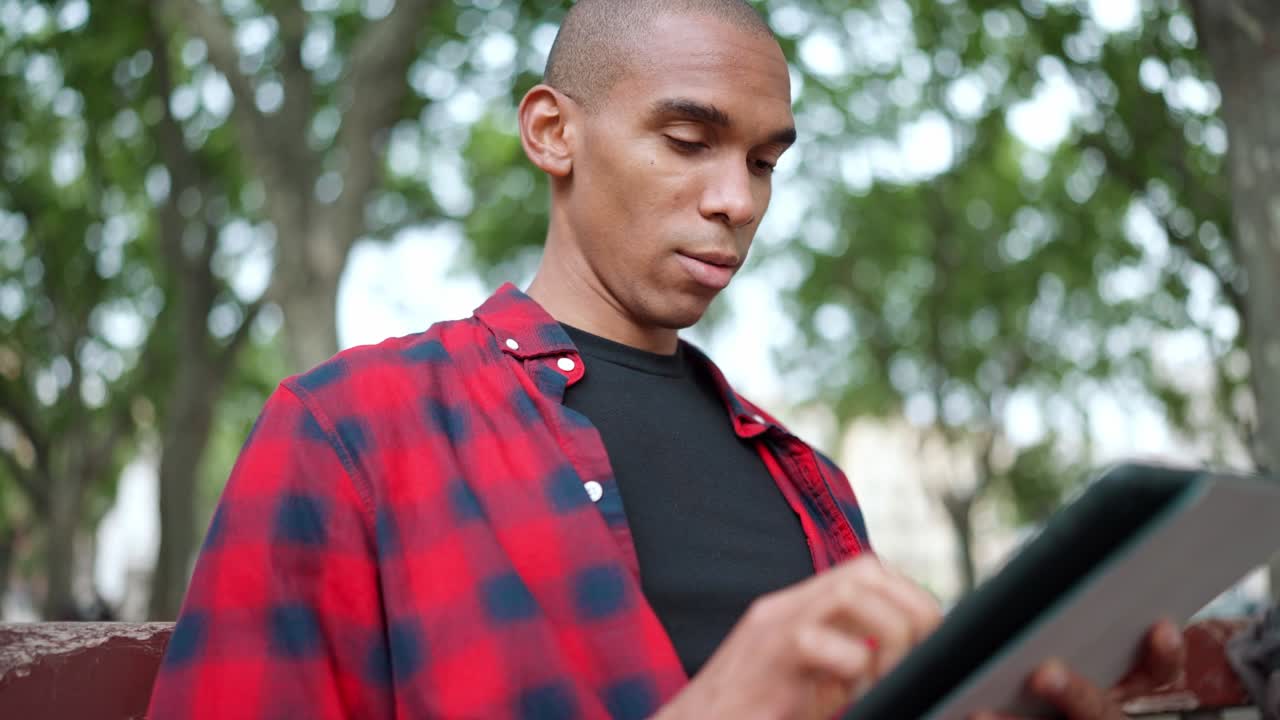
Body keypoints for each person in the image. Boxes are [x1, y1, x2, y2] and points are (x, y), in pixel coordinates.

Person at [147, 1, 1184, 718]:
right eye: (689, 141)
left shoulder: (808, 483)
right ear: (552, 133)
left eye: (764, 161)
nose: (737, 199)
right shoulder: (352, 429)